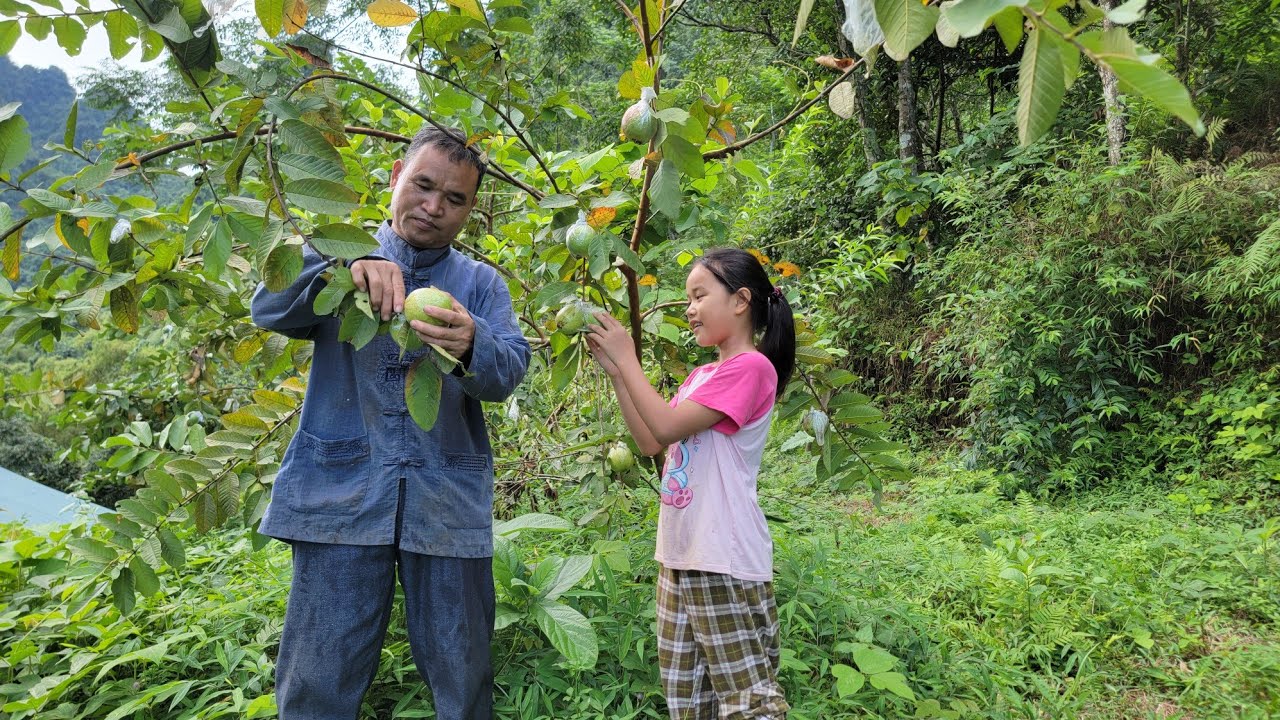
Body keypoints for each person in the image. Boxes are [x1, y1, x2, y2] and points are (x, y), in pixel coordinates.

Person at [250, 125, 531, 720]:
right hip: (340, 501)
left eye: (455, 199)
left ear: (470, 211)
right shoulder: (338, 256)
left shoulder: (480, 285)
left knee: (464, 684)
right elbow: (267, 305)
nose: (434, 207)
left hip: (447, 505)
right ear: (395, 180)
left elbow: (507, 373)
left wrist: (474, 342)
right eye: (423, 186)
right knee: (316, 689)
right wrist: (346, 263)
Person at [584, 247, 795, 719]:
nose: (690, 309)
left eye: (699, 296)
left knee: (749, 701)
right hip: (680, 553)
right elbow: (648, 441)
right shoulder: (702, 374)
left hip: (723, 553)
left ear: (741, 301)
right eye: (687, 299)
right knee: (689, 697)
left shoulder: (752, 367)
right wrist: (620, 373)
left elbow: (664, 426)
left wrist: (628, 356)